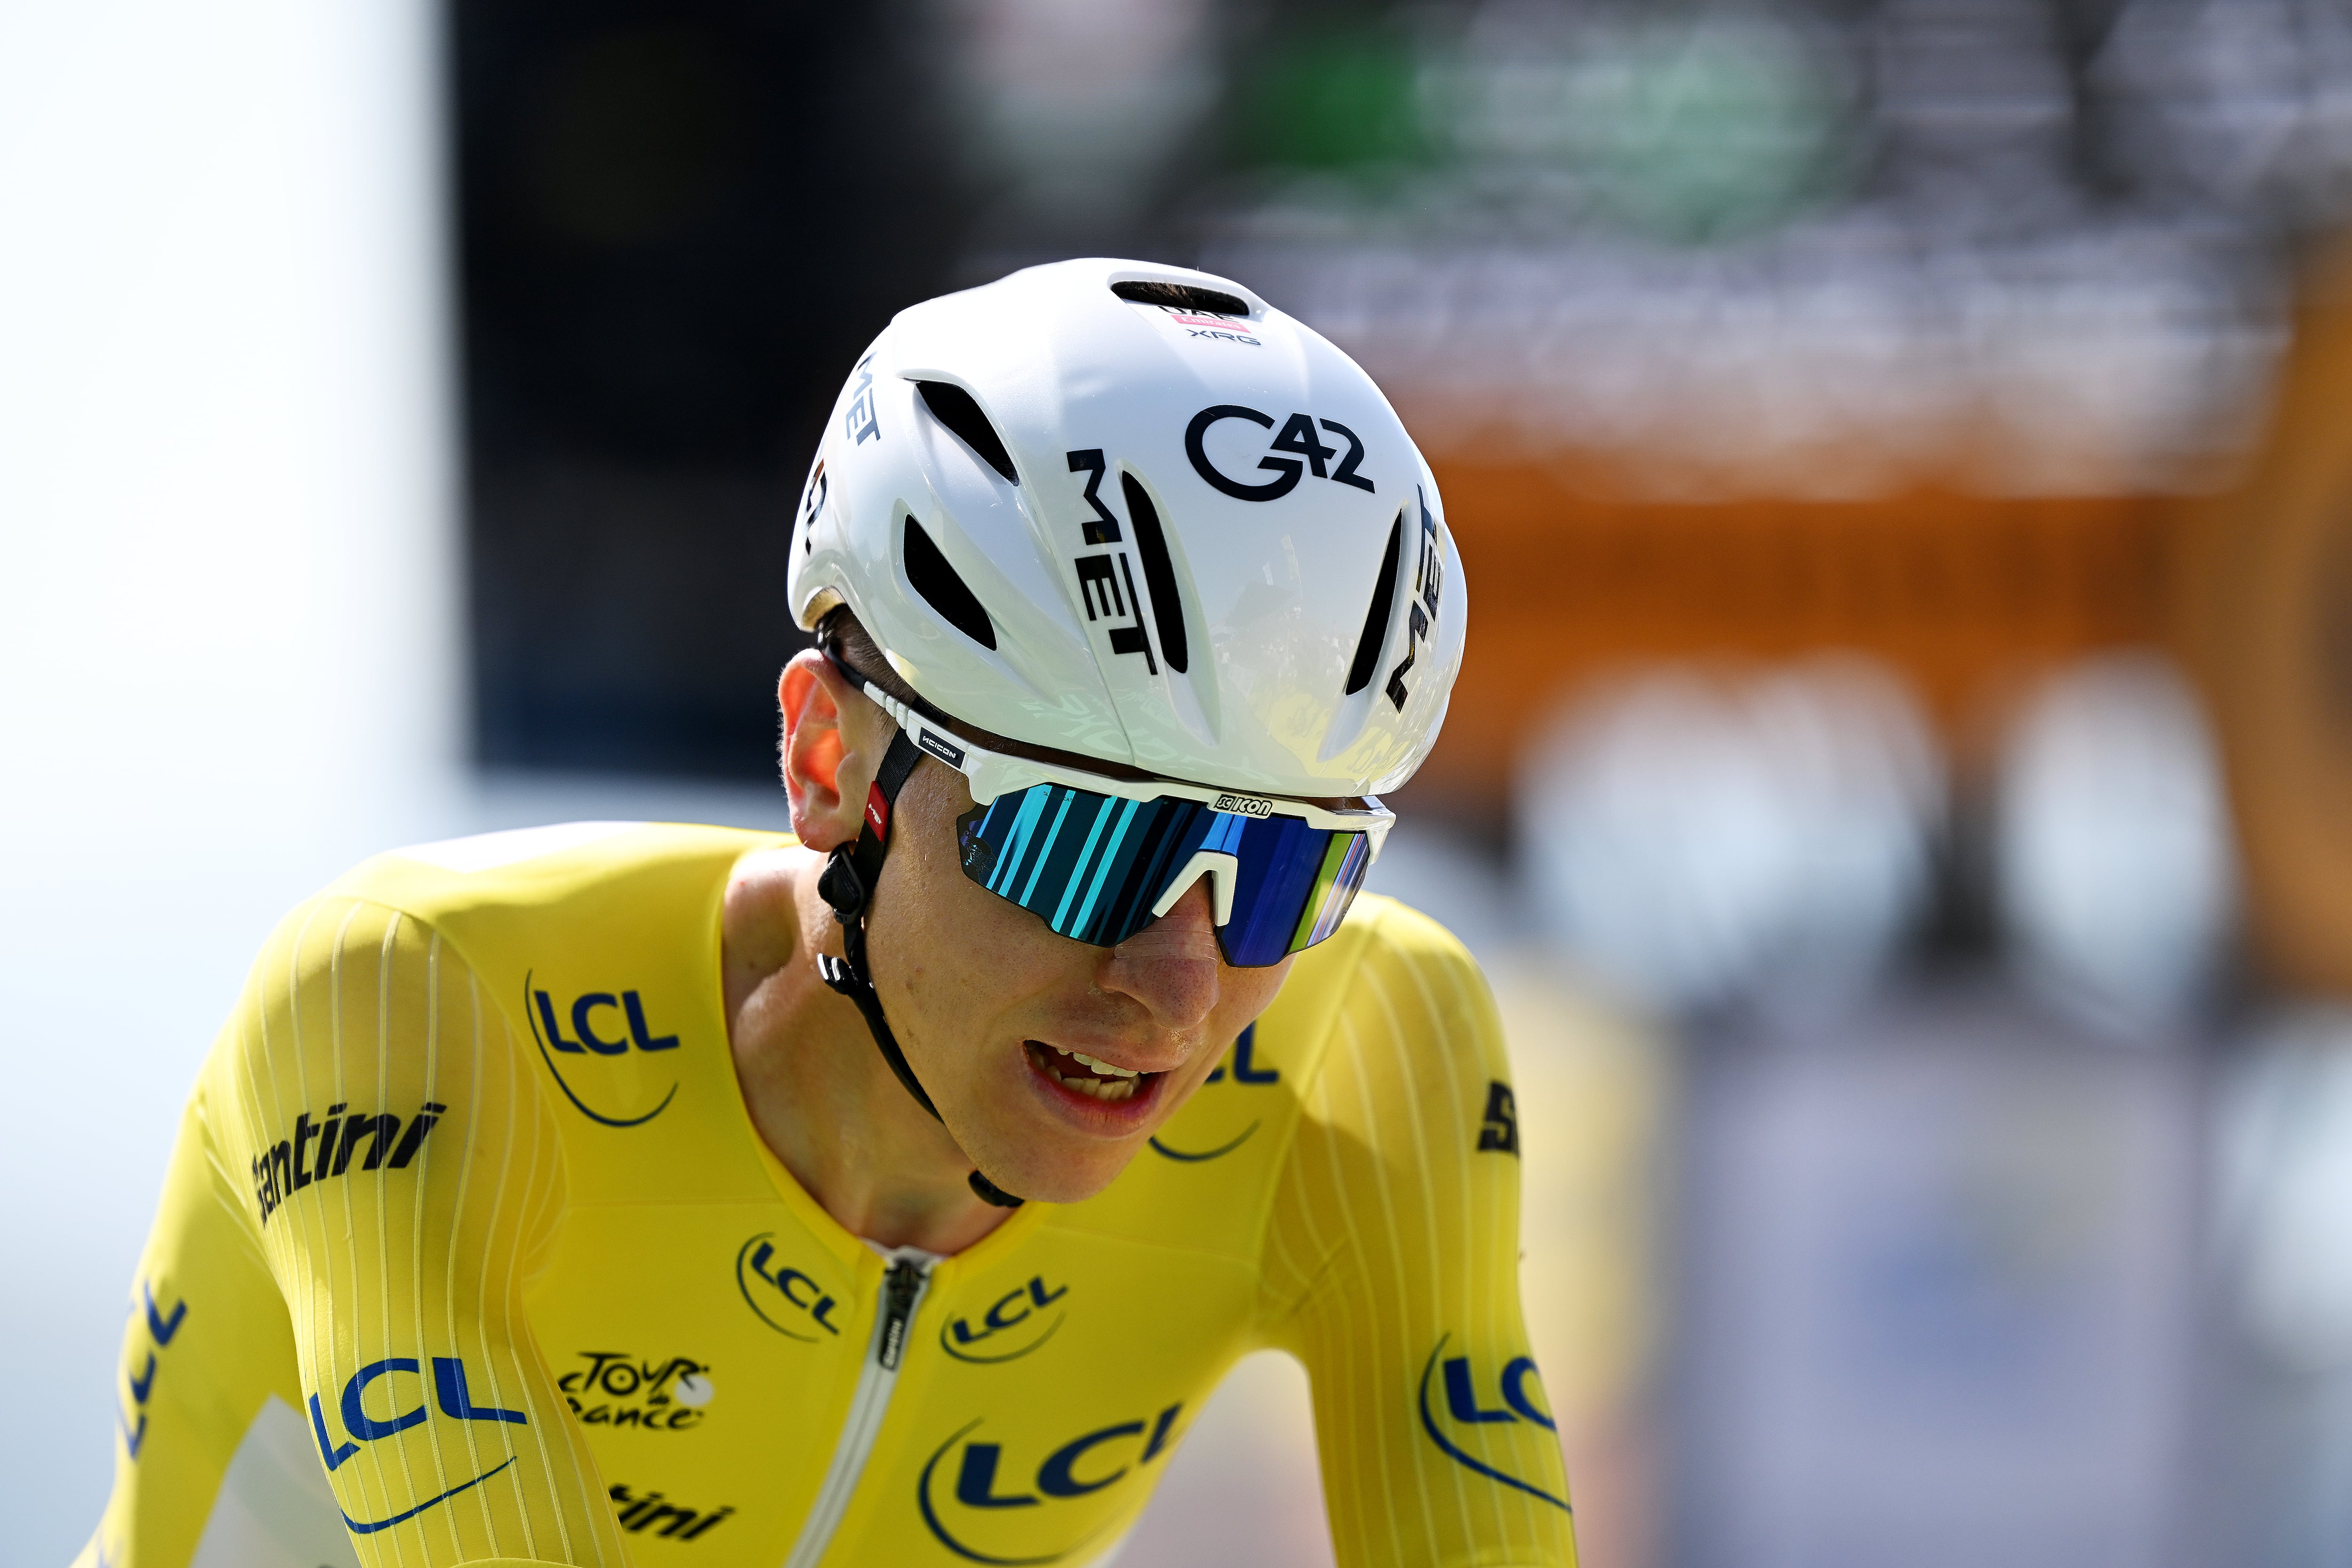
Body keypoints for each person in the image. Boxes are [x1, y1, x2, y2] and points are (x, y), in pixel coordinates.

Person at [75, 259, 1577, 1568]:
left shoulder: (1366, 1053)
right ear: (826, 763)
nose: (1177, 991)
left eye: (1282, 879)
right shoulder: (412, 1007)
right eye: (1083, 848)